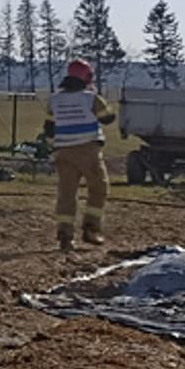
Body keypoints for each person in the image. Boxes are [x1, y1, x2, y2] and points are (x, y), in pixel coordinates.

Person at [42, 59, 116, 250]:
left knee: (66, 194)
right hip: (88, 151)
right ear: (87, 77)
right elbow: (108, 118)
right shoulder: (91, 98)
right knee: (99, 188)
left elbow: (49, 129)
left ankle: (65, 236)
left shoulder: (54, 99)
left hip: (63, 152)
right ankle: (91, 228)